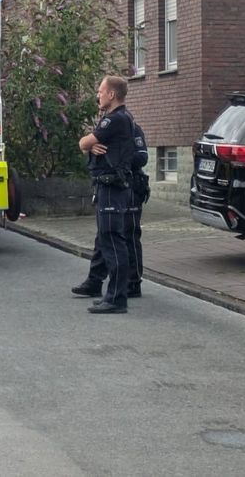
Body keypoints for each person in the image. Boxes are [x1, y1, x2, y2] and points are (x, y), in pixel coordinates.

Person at [72, 75, 148, 314]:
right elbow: (87, 144)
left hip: (114, 187)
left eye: (101, 91)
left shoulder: (115, 119)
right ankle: (109, 292)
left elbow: (84, 142)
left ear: (112, 94)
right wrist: (91, 145)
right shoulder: (115, 120)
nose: (98, 95)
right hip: (108, 187)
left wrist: (89, 144)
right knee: (107, 238)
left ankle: (117, 298)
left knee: (115, 241)